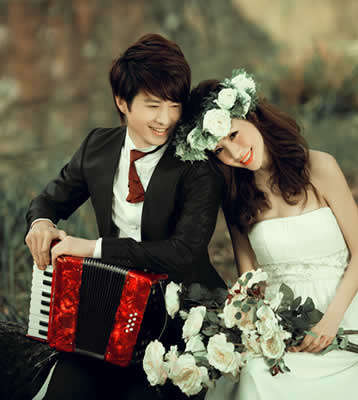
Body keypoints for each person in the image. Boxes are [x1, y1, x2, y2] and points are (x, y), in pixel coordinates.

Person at [175, 70, 358, 399]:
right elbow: (249, 281)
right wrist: (263, 330)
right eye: (220, 150)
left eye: (234, 135)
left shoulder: (320, 167)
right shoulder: (236, 197)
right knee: (255, 375)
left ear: (251, 116)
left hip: (340, 316)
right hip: (280, 330)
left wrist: (330, 322)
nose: (235, 153)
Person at [25, 33, 225, 400]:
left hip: (179, 321)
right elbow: (48, 202)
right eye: (153, 105)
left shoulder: (197, 165)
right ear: (122, 101)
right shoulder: (97, 147)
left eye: (174, 105)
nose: (166, 119)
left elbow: (184, 252)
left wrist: (94, 249)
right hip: (107, 314)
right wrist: (40, 224)